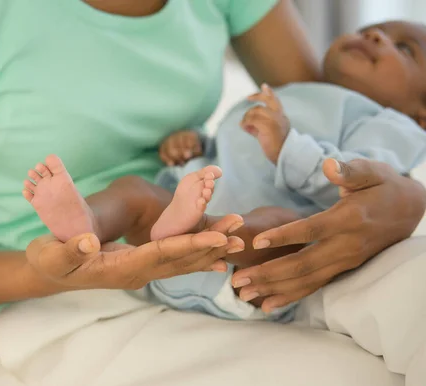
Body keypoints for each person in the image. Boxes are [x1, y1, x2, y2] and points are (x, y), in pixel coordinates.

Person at [0, 0, 426, 386]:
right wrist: (63, 272)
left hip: (227, 236)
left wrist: (403, 202)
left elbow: (322, 108)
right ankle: (82, 227)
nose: (378, 38)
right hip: (69, 305)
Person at [22, 21, 426, 321]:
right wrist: (192, 145)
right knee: (134, 191)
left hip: (256, 269)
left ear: (422, 113)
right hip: (155, 261)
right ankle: (86, 230)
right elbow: (231, 151)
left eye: (405, 49)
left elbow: (356, 183)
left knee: (278, 224)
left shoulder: (393, 124)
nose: (376, 37)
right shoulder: (289, 92)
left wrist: (289, 146)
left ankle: (198, 230)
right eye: (373, 28)